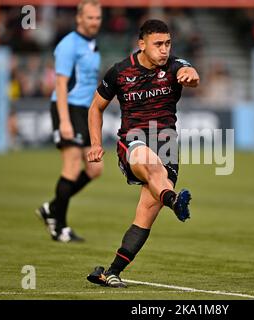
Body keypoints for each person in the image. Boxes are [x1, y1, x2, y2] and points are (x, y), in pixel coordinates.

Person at [86, 19, 200, 287]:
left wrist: (192, 75)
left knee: (146, 212)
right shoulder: (119, 72)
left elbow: (190, 72)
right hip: (133, 141)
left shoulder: (174, 66)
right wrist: (95, 143)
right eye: (158, 44)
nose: (164, 50)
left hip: (167, 146)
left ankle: (111, 272)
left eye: (168, 44)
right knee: (149, 163)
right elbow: (95, 108)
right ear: (142, 45)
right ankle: (174, 200)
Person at [35, 0, 103, 243]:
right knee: (73, 167)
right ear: (79, 18)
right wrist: (64, 121)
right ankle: (59, 228)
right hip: (68, 109)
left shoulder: (92, 45)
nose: (94, 21)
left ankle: (51, 208)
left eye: (97, 17)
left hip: (84, 112)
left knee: (95, 169)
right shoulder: (68, 45)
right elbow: (61, 85)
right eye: (90, 17)